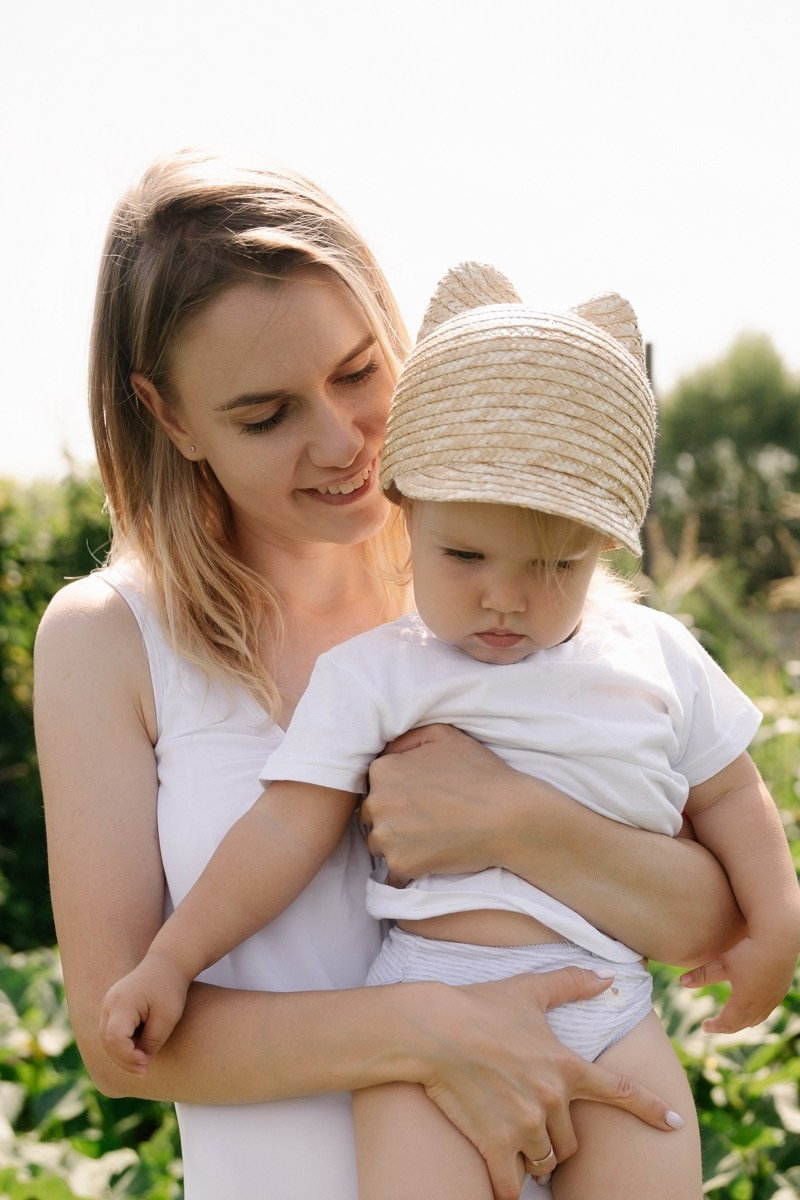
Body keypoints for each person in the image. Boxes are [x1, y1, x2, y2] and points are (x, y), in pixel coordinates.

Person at [35, 151, 748, 1200]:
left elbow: (705, 922)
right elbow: (123, 1044)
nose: (339, 442)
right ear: (169, 415)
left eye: (358, 372)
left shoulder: (502, 580)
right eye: (264, 414)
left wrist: (508, 817)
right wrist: (432, 1029)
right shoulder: (109, 637)